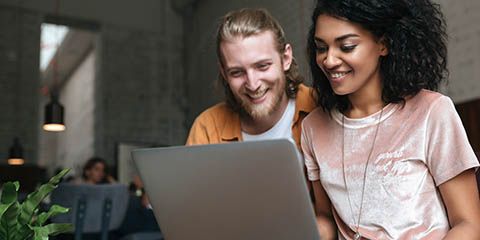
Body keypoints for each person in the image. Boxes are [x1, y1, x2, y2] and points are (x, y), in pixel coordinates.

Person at [301, 0, 480, 239]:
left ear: (383, 44)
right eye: (321, 48)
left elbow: (468, 224)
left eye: (346, 46)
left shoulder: (432, 112)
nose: (329, 60)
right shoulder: (312, 127)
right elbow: (325, 217)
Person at [186, 8, 316, 149]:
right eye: (236, 72)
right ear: (224, 74)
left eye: (262, 66)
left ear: (285, 58)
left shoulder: (321, 106)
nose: (253, 85)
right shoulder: (207, 128)